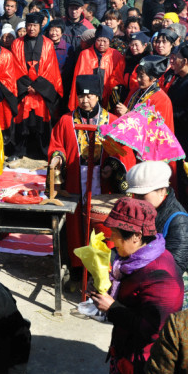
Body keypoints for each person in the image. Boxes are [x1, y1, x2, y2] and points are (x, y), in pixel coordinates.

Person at [89, 197, 184, 374]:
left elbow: (154, 329)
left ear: (136, 236)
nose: (111, 240)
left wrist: (113, 308)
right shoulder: (135, 260)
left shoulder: (161, 278)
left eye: (115, 234)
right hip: (125, 349)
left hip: (142, 364)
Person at [49, 75, 134, 269]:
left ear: (98, 97)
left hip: (103, 182)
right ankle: (78, 266)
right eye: (81, 97)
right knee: (75, 223)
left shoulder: (112, 121)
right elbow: (57, 145)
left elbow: (124, 152)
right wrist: (57, 157)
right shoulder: (66, 121)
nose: (85, 101)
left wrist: (111, 166)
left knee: (103, 225)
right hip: (75, 179)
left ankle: (104, 267)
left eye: (90, 96)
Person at [126, 161, 188, 272]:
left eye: (142, 195)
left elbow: (174, 267)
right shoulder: (144, 210)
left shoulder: (180, 222)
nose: (137, 199)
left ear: (162, 190)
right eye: (135, 195)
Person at [10, 12, 63, 160]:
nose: (31, 28)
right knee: (21, 122)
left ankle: (44, 150)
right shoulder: (17, 43)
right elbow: (15, 66)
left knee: (42, 123)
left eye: (35, 25)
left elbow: (50, 68)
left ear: (40, 26)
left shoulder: (48, 43)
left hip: (41, 91)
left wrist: (37, 87)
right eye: (29, 25)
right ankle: (19, 151)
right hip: (24, 90)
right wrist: (27, 86)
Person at [69, 25, 125, 111]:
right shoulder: (85, 54)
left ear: (110, 42)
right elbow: (78, 79)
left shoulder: (116, 55)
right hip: (87, 96)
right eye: (99, 40)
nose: (101, 44)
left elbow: (118, 78)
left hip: (107, 95)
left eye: (104, 41)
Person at [117, 55, 174, 133]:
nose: (138, 79)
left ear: (154, 78)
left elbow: (155, 129)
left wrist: (127, 114)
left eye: (142, 76)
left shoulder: (162, 100)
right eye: (138, 74)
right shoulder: (134, 91)